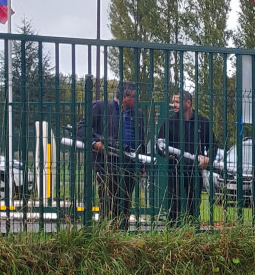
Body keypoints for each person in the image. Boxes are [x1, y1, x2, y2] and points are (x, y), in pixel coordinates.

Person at [77, 81, 147, 229]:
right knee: (108, 202)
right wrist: (95, 143)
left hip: (129, 166)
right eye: (134, 97)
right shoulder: (101, 107)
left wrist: (141, 165)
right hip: (107, 165)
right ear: (124, 97)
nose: (137, 100)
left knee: (125, 204)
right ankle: (106, 233)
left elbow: (141, 139)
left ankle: (122, 233)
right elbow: (81, 128)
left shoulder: (138, 114)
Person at [157, 91, 214, 226]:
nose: (174, 105)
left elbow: (213, 144)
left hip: (194, 170)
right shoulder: (168, 122)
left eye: (177, 102)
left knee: (193, 204)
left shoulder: (202, 122)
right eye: (173, 102)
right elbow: (159, 145)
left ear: (188, 103)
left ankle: (193, 231)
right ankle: (172, 231)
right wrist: (165, 153)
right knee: (173, 204)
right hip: (174, 169)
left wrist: (208, 158)